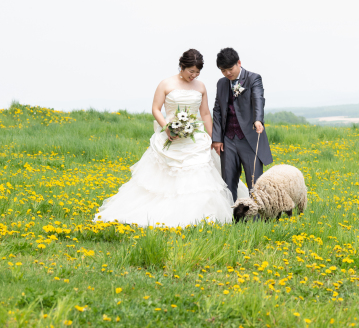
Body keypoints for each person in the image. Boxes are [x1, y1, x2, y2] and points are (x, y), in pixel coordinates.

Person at [94, 49, 246, 227]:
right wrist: (167, 127)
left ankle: (201, 214)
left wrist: (215, 138)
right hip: (171, 137)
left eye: (197, 72)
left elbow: (204, 114)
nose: (194, 75)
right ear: (182, 67)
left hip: (195, 139)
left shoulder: (201, 86)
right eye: (191, 71)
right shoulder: (166, 84)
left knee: (200, 176)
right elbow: (156, 109)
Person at [212, 47, 273, 202]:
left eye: (230, 69)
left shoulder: (253, 78)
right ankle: (231, 217)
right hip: (228, 139)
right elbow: (217, 111)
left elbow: (258, 99)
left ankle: (257, 217)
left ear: (239, 63)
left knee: (255, 181)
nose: (227, 73)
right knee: (228, 180)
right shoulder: (221, 84)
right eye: (223, 70)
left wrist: (258, 120)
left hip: (249, 138)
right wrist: (217, 139)